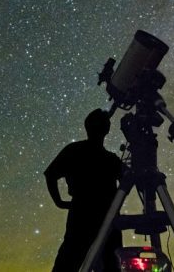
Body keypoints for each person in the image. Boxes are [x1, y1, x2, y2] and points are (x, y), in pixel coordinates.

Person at [45, 108, 123, 272]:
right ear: (107, 129)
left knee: (68, 262)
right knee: (110, 263)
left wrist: (59, 202)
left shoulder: (74, 150)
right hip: (107, 217)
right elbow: (129, 180)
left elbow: (51, 175)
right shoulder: (111, 160)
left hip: (81, 214)